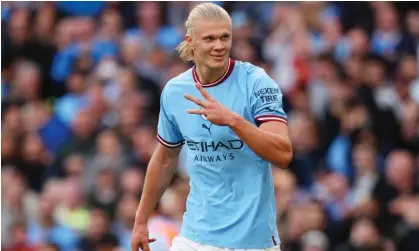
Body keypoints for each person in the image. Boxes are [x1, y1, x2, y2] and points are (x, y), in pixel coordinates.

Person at [131, 3, 292, 251]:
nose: (219, 46)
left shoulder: (257, 82)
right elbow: (164, 159)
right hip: (195, 237)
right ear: (191, 41)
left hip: (252, 241)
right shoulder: (175, 91)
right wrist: (141, 220)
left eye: (224, 37)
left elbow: (283, 154)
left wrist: (233, 121)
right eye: (209, 39)